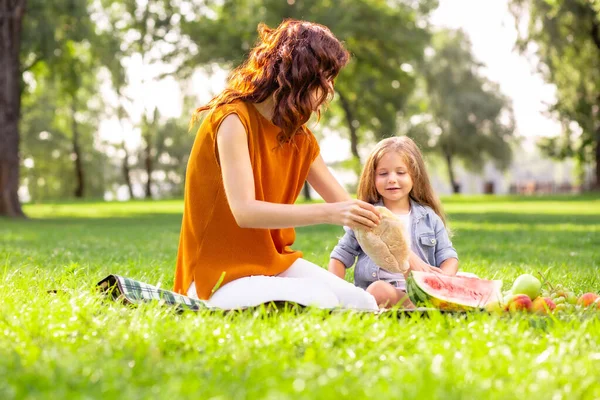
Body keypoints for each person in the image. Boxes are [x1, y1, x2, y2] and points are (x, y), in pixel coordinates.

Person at [173, 19, 381, 311]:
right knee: (322, 300)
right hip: (217, 276)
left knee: (362, 303)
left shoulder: (301, 138)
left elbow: (353, 213)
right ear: (302, 73)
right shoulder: (233, 120)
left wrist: (419, 268)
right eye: (327, 77)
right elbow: (245, 212)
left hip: (272, 265)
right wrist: (330, 213)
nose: (330, 89)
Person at [328, 137, 459, 308]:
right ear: (372, 178)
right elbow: (339, 257)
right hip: (378, 292)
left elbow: (448, 256)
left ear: (414, 176)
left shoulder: (429, 217)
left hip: (418, 292)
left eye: (401, 172)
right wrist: (336, 291)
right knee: (378, 291)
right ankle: (416, 309)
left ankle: (419, 305)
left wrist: (440, 281)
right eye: (383, 174)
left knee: (467, 279)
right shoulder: (366, 216)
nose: (391, 179)